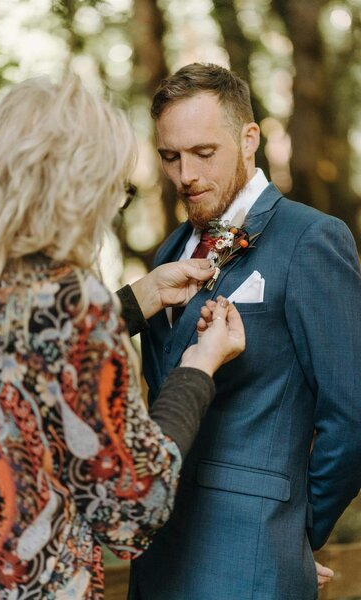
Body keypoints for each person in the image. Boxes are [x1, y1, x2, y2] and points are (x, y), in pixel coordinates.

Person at [0, 74, 246, 600]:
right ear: (80, 186)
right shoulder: (73, 302)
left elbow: (28, 357)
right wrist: (198, 369)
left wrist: (139, 299)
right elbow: (132, 506)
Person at [128, 62, 361, 600]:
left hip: (249, 559)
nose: (186, 173)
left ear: (249, 138)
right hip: (156, 556)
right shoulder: (170, 253)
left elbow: (349, 418)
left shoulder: (312, 239)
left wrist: (293, 533)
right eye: (170, 156)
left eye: (204, 153)